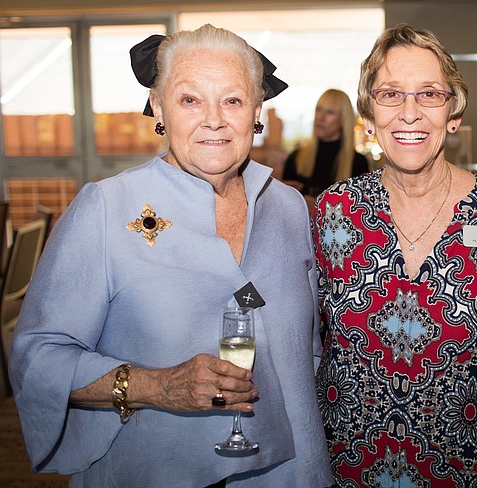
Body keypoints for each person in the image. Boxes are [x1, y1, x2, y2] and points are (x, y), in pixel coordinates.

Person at [10, 24, 333, 487]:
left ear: (257, 112)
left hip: (286, 472)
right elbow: (37, 358)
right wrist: (157, 387)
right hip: (154, 471)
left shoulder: (287, 207)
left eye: (233, 100)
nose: (214, 119)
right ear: (159, 108)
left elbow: (310, 354)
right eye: (190, 100)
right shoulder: (106, 208)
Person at [313, 23, 477, 487]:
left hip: (470, 471)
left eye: (430, 94)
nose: (410, 113)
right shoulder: (333, 212)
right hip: (349, 470)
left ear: (453, 112)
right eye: (390, 94)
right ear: (368, 115)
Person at [282, 88, 370, 209]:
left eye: (330, 112)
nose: (320, 118)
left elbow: (361, 212)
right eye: (319, 109)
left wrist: (324, 210)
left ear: (343, 120)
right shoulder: (295, 158)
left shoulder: (358, 163)